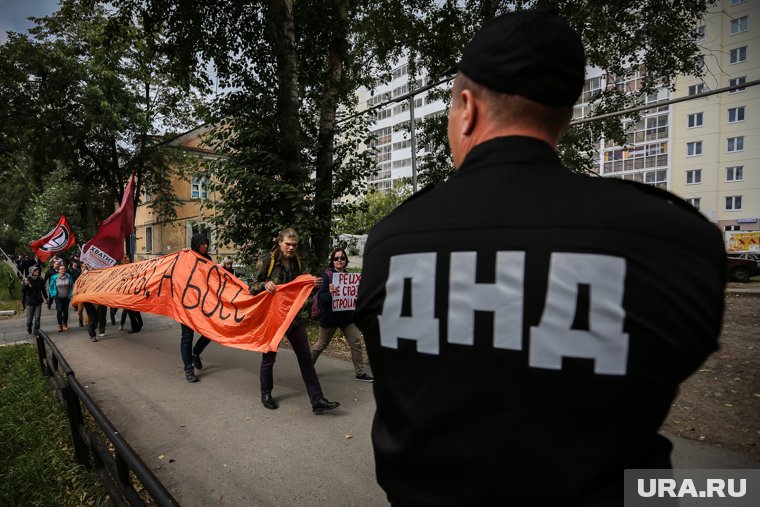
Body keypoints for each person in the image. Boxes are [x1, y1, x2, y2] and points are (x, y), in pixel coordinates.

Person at [354, 10, 726, 505]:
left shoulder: (390, 242)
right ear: (565, 115)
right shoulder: (675, 238)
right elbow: (661, 381)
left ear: (466, 108)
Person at [250, 227, 340, 414]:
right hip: (273, 318)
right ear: (279, 242)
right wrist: (264, 285)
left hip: (293, 317)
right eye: (288, 244)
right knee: (269, 357)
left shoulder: (298, 262)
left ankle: (317, 400)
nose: (291, 248)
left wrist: (317, 285)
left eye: (294, 245)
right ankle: (265, 393)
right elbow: (252, 287)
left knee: (305, 358)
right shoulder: (268, 259)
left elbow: (305, 285)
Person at [310, 247, 373, 382]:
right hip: (329, 318)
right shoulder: (327, 276)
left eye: (342, 258)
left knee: (356, 342)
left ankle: (360, 373)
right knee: (320, 345)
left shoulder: (350, 277)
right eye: (336, 258)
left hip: (347, 318)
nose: (339, 260)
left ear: (346, 260)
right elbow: (322, 299)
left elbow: (354, 298)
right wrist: (331, 294)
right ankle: (307, 368)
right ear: (332, 261)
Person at [179, 233, 214, 382]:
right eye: (202, 244)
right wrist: (182, 254)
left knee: (211, 332)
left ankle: (196, 352)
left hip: (204, 304)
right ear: (195, 245)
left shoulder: (208, 260)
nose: (206, 246)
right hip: (187, 304)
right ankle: (189, 369)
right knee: (187, 337)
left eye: (206, 243)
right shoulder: (185, 258)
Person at [21, 266, 48, 335]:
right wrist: (26, 285)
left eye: (38, 270)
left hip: (38, 301)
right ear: (31, 272)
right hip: (30, 302)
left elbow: (43, 289)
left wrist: (46, 298)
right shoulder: (27, 280)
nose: (37, 271)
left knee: (37, 317)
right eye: (35, 271)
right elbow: (23, 291)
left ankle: (36, 330)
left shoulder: (40, 279)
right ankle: (29, 327)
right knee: (29, 319)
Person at [48, 263, 74, 332]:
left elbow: (72, 286)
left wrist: (70, 294)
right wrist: (53, 295)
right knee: (59, 311)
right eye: (61, 269)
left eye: (64, 269)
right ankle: (60, 325)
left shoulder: (68, 277)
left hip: (66, 297)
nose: (63, 270)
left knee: (65, 311)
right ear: (58, 270)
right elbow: (50, 287)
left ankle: (65, 324)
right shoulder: (54, 278)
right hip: (58, 297)